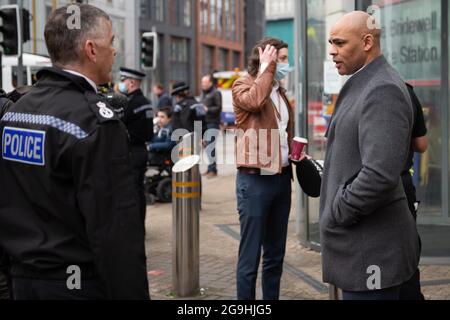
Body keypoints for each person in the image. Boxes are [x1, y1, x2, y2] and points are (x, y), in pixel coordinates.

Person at [0, 4, 149, 300]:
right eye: (112, 41)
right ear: (91, 49)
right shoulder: (95, 123)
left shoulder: (15, 113)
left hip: (21, 281)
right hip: (75, 284)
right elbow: (115, 235)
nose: (115, 51)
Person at [320, 11, 420, 300]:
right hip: (364, 248)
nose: (332, 50)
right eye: (330, 42)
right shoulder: (366, 80)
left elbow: (379, 174)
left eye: (339, 43)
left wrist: (338, 210)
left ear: (366, 42)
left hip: (371, 251)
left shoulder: (383, 88)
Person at [232, 38, 295, 300]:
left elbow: (281, 132)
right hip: (255, 181)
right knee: (250, 258)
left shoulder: (280, 93)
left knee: (275, 256)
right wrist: (267, 69)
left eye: (284, 59)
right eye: (281, 58)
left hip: (280, 179)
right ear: (264, 58)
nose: (285, 64)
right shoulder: (242, 84)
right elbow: (255, 102)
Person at [398, 83, 428, 301]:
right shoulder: (406, 91)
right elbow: (421, 144)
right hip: (402, 186)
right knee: (406, 256)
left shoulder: (357, 89)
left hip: (367, 187)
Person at [118, 67, 154, 226]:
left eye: (123, 80)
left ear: (131, 82)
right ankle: (140, 226)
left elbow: (120, 125)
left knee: (131, 192)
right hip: (141, 150)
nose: (122, 83)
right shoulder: (146, 103)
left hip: (131, 151)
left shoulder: (129, 103)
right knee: (138, 191)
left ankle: (134, 227)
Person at [201, 74, 222, 178]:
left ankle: (213, 170)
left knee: (210, 146)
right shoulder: (204, 94)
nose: (203, 84)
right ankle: (210, 168)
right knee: (206, 146)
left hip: (213, 123)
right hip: (205, 123)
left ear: (210, 83)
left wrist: (207, 109)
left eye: (204, 82)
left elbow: (219, 108)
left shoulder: (216, 93)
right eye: (202, 82)